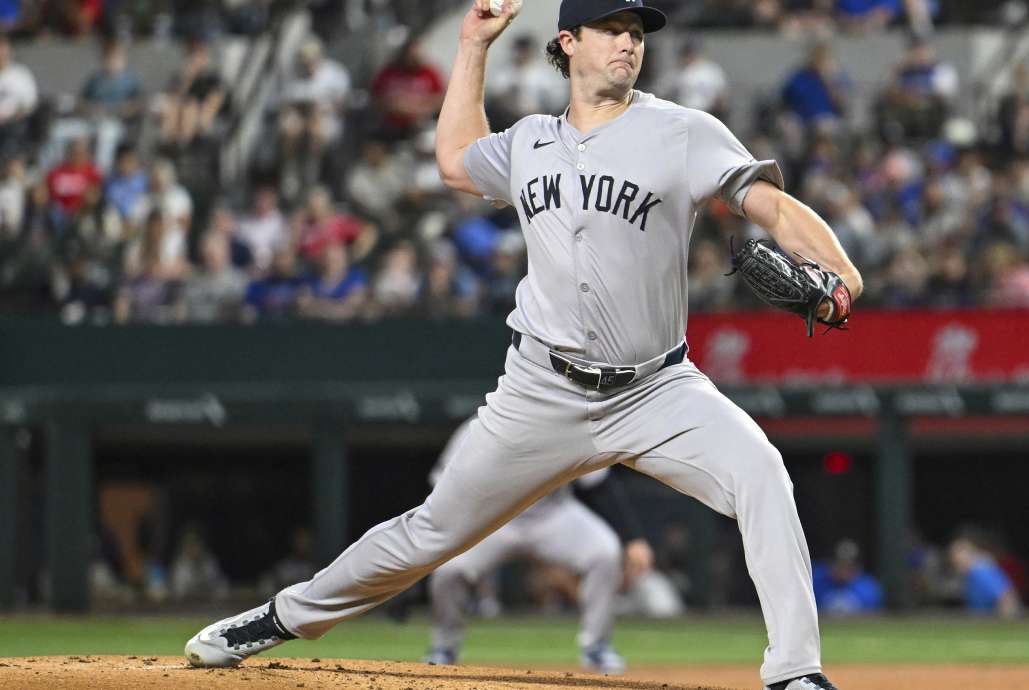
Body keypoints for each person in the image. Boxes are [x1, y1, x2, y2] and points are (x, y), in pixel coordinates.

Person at [185, 5, 861, 690]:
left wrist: (842, 270)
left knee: (763, 474)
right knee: (428, 534)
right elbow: (453, 160)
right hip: (541, 390)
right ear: (568, 43)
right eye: (611, 28)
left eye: (636, 31)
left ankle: (795, 673)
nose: (629, 41)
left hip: (659, 388)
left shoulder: (682, 132)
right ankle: (276, 619)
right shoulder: (529, 141)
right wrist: (473, 44)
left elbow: (772, 205)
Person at [422, 416, 654, 674]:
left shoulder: (566, 425)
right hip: (492, 518)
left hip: (553, 514)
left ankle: (596, 648)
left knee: (605, 552)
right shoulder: (478, 427)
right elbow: (442, 486)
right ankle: (444, 646)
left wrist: (633, 538)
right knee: (448, 569)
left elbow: (599, 485)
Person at [948, 530, 1021, 618]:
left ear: (970, 554)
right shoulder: (968, 575)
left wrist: (1005, 626)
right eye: (954, 559)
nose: (956, 562)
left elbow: (1007, 599)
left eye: (958, 558)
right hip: (978, 623)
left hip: (990, 626)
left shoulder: (982, 572)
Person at [811, 540, 884, 615]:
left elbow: (876, 616)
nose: (843, 570)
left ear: (857, 567)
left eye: (849, 566)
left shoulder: (869, 588)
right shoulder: (817, 582)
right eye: (840, 564)